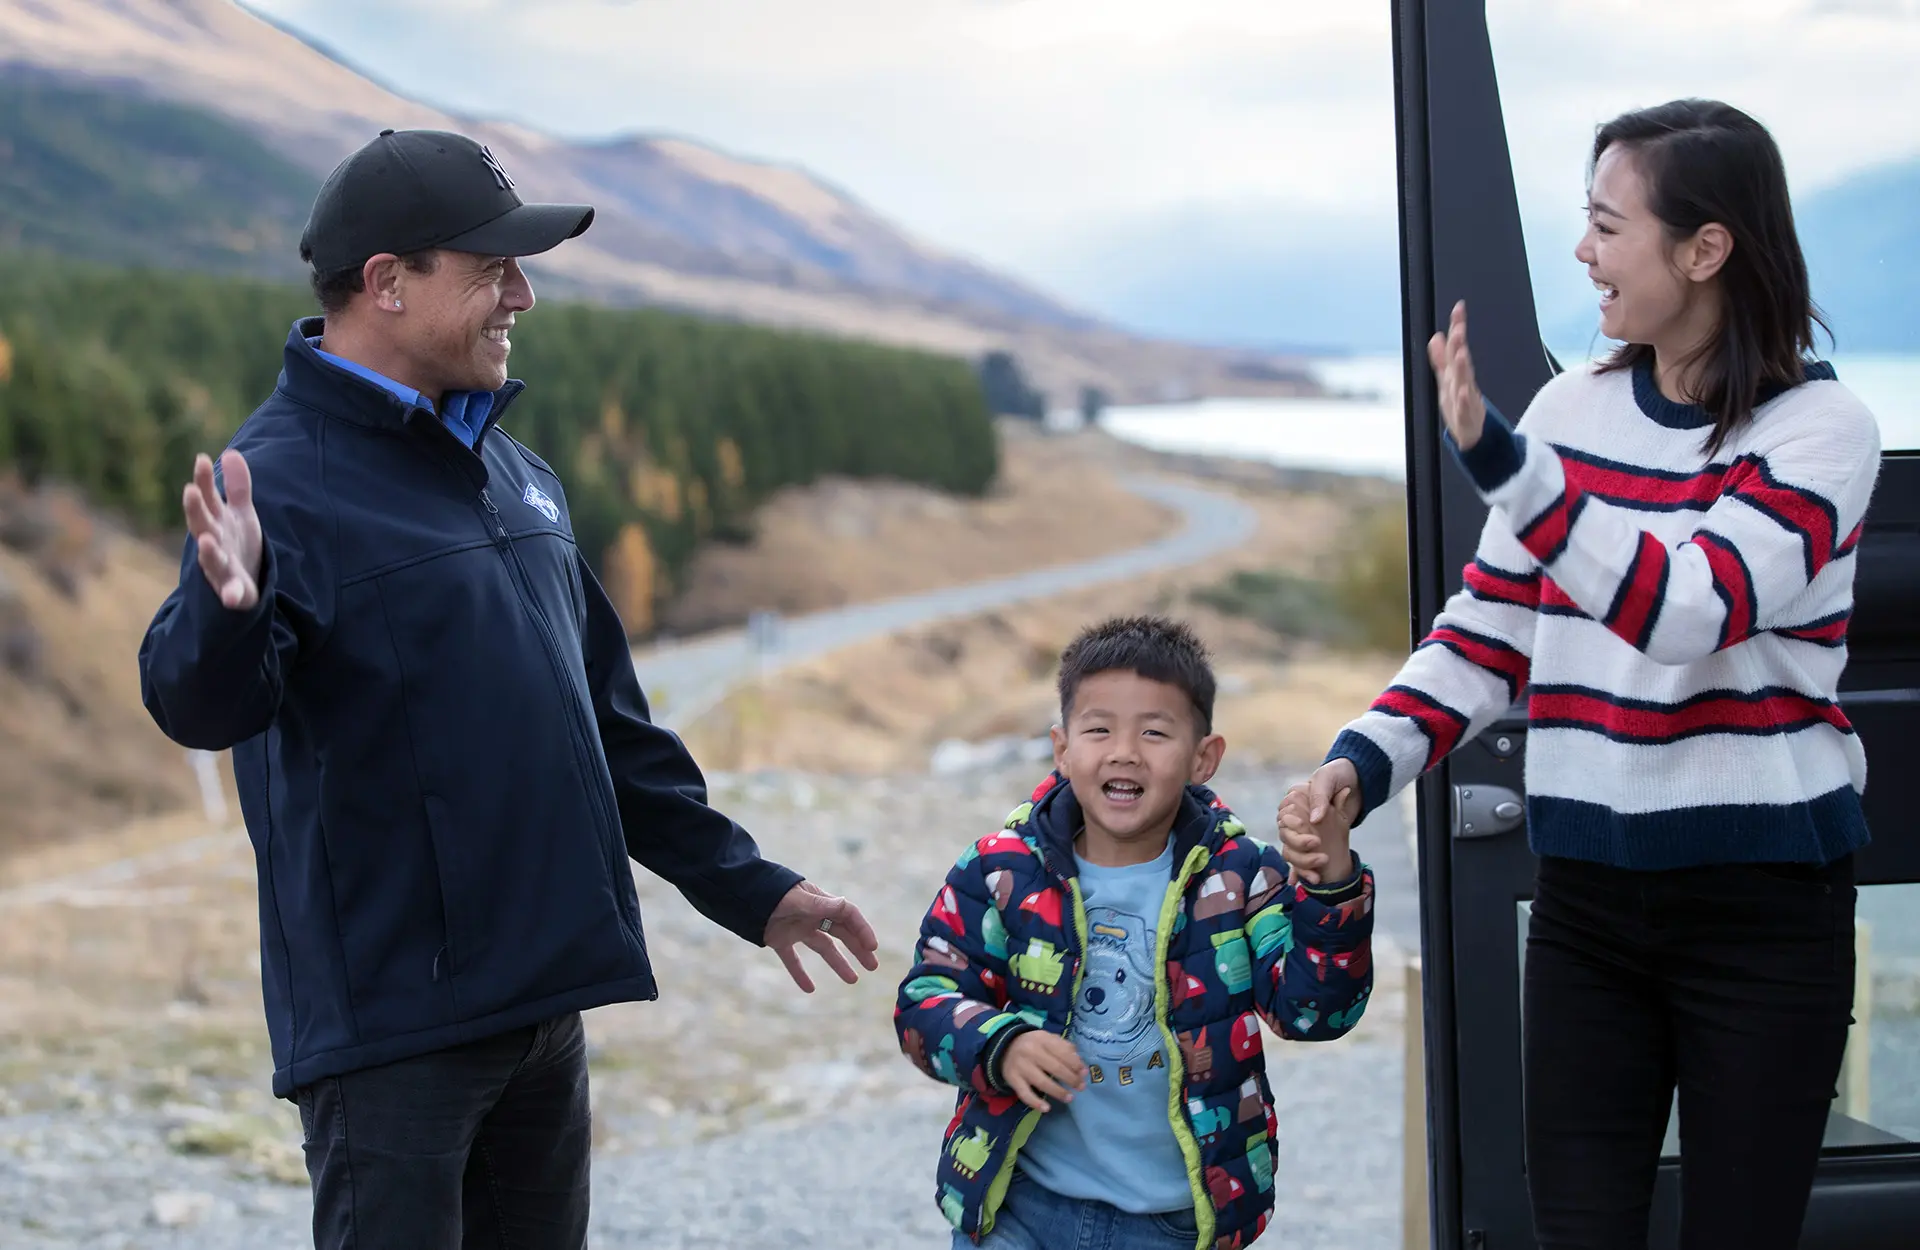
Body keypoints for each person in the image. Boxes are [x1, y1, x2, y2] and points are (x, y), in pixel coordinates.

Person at [136, 128, 879, 1250]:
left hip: (542, 1012)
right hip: (395, 1039)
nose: (522, 296)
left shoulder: (514, 472)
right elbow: (198, 705)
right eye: (492, 270)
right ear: (387, 282)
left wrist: (753, 889)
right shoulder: (274, 485)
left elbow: (609, 732)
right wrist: (224, 610)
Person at [1280, 99, 1881, 1250]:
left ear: (1705, 249)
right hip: (1588, 910)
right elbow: (1490, 630)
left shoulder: (1820, 430)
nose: (1582, 250)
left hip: (1764, 910)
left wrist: (1510, 466)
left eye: (1609, 226)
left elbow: (1689, 608)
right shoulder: (1572, 412)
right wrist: (1362, 764)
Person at [895, 615, 1375, 1249]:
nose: (1124, 751)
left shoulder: (1240, 877)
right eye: (1098, 729)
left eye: (1154, 731)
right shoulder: (1000, 870)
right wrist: (999, 1046)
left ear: (1203, 758)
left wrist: (1332, 884)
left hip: (1172, 1222)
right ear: (1062, 749)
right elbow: (925, 1001)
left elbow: (1315, 1013)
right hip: (1019, 1204)